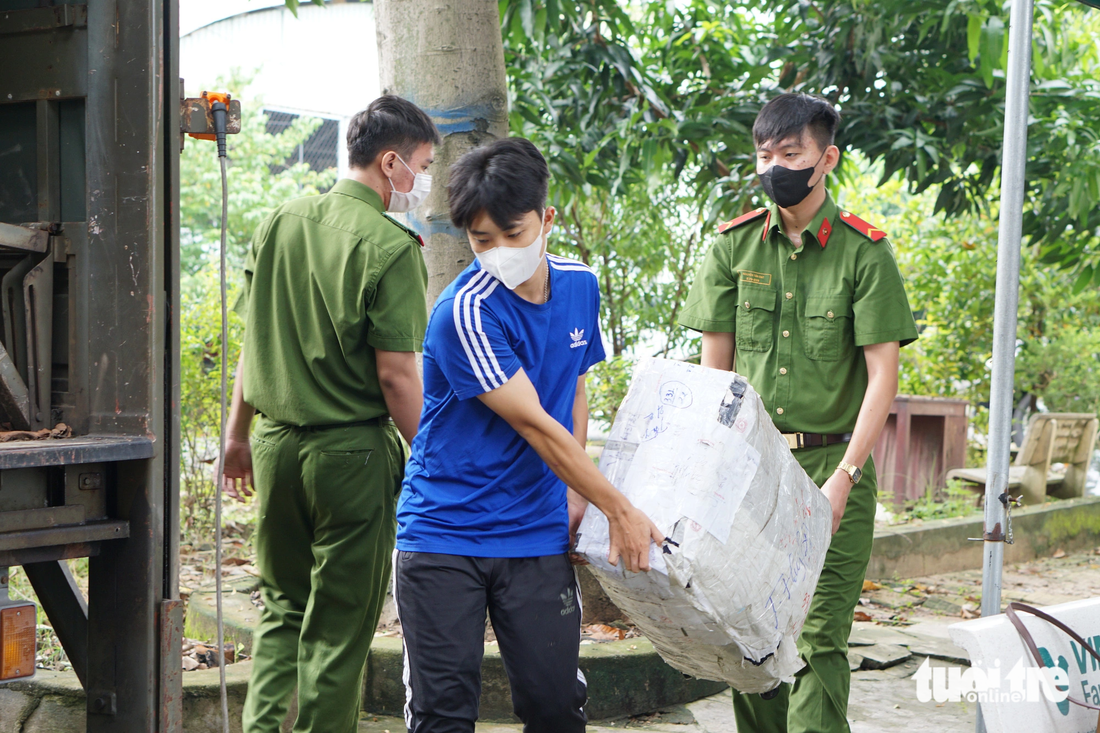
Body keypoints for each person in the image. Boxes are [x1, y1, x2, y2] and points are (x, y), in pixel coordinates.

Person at [394, 137, 663, 733]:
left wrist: (574, 498)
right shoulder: (465, 311)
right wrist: (617, 507)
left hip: (535, 535)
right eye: (480, 240)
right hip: (445, 536)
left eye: (512, 235)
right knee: (442, 716)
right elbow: (536, 425)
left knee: (555, 707)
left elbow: (573, 389)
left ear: (547, 219)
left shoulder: (580, 286)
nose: (497, 252)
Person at [678, 93, 919, 733]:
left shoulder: (865, 253)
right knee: (749, 637)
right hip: (751, 468)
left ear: (826, 159)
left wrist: (846, 475)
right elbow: (717, 376)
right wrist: (711, 468)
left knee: (817, 642)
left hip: (830, 467)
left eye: (791, 153)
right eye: (765, 154)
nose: (775, 166)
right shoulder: (733, 248)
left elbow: (882, 379)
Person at [220, 95, 440, 733]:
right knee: (339, 626)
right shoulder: (392, 248)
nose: (422, 183)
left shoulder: (279, 222)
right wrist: (433, 460)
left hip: (274, 446)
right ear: (391, 162)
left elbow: (252, 341)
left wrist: (237, 434)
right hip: (350, 456)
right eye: (422, 167)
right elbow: (398, 376)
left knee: (282, 609)